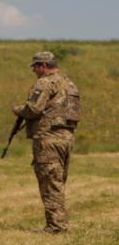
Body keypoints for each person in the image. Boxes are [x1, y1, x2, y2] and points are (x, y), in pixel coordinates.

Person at [13, 51, 80, 233]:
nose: (34, 70)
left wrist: (18, 110)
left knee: (50, 182)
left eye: (35, 66)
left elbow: (34, 109)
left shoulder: (45, 82)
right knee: (57, 181)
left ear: (43, 66)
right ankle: (59, 223)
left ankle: (56, 226)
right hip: (66, 138)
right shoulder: (69, 83)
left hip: (48, 138)